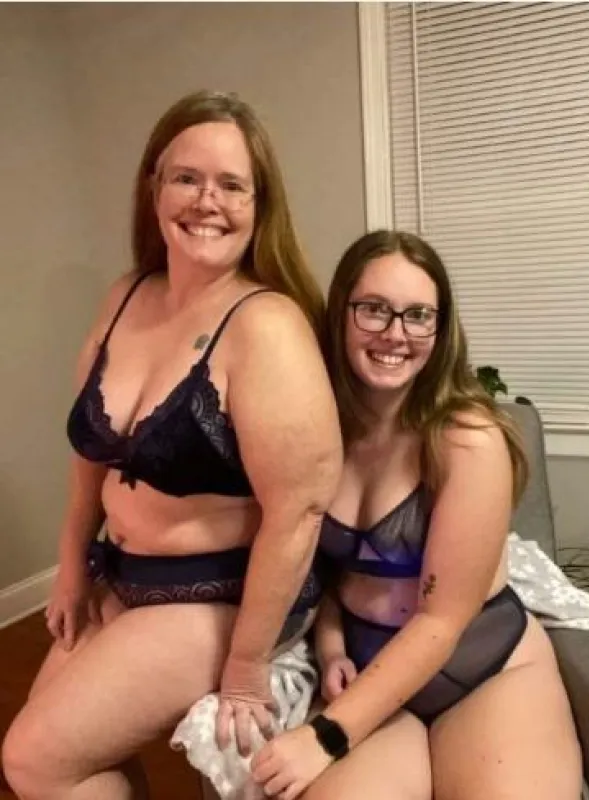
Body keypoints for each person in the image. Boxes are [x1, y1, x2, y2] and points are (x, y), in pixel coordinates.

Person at [1, 90, 342, 800]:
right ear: (153, 188)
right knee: (49, 754)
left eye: (232, 185)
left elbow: (299, 512)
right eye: (187, 178)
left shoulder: (267, 326)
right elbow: (90, 458)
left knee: (33, 760)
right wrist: (70, 569)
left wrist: (245, 666)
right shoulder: (127, 295)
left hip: (220, 595)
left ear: (259, 205)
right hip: (123, 576)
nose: (206, 201)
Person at [250, 230, 583, 800]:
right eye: (374, 309)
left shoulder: (467, 439)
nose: (395, 334)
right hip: (367, 675)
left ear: (440, 328)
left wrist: (324, 737)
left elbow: (441, 621)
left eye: (418, 315)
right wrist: (331, 646)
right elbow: (323, 570)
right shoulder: (321, 428)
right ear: (342, 313)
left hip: (481, 669)